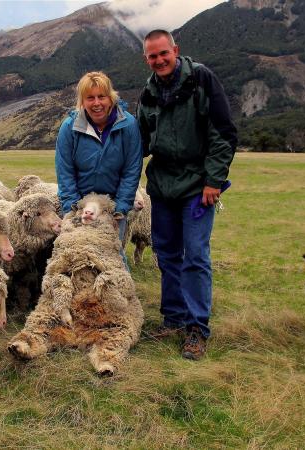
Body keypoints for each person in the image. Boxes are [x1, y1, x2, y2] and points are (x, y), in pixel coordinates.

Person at [136, 29, 237, 360]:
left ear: (175, 50)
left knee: (195, 254)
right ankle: (174, 318)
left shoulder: (202, 80)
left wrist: (214, 179)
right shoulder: (148, 94)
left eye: (164, 53)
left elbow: (223, 132)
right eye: (153, 56)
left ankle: (196, 328)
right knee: (166, 254)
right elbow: (140, 142)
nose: (160, 60)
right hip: (162, 187)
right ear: (146, 59)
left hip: (198, 186)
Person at [55, 71, 143, 266]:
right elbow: (65, 171)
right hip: (79, 207)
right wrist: (72, 208)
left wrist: (120, 208)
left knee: (113, 258)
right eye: (90, 98)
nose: (97, 103)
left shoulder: (128, 125)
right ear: (82, 101)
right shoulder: (70, 128)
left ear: (111, 97)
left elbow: (132, 169)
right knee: (76, 256)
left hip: (113, 207)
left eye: (101, 96)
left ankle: (121, 295)